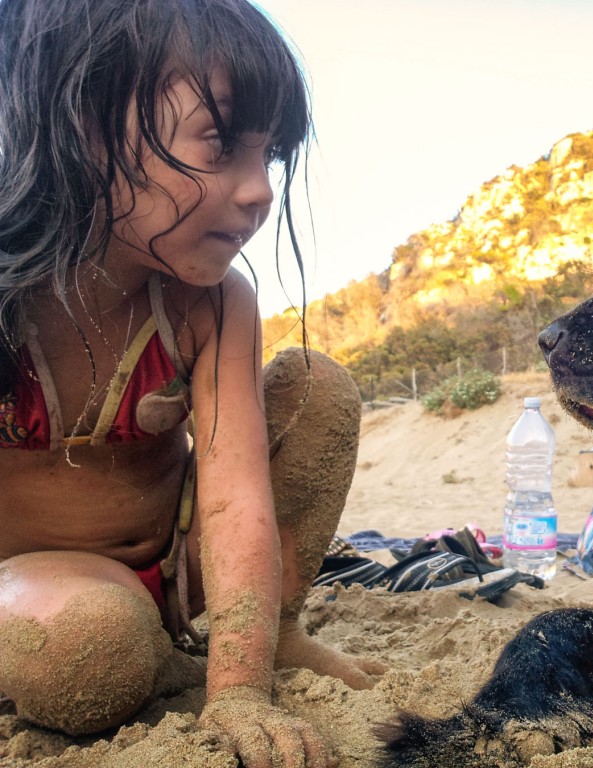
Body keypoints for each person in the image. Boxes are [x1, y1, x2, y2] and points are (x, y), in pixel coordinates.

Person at [0, 1, 382, 766]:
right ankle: (138, 655)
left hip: (183, 567)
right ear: (85, 123)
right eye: (221, 143)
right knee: (87, 650)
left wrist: (238, 686)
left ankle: (271, 630)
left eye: (269, 154)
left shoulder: (213, 303)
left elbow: (235, 493)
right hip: (45, 585)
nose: (259, 190)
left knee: (317, 389)